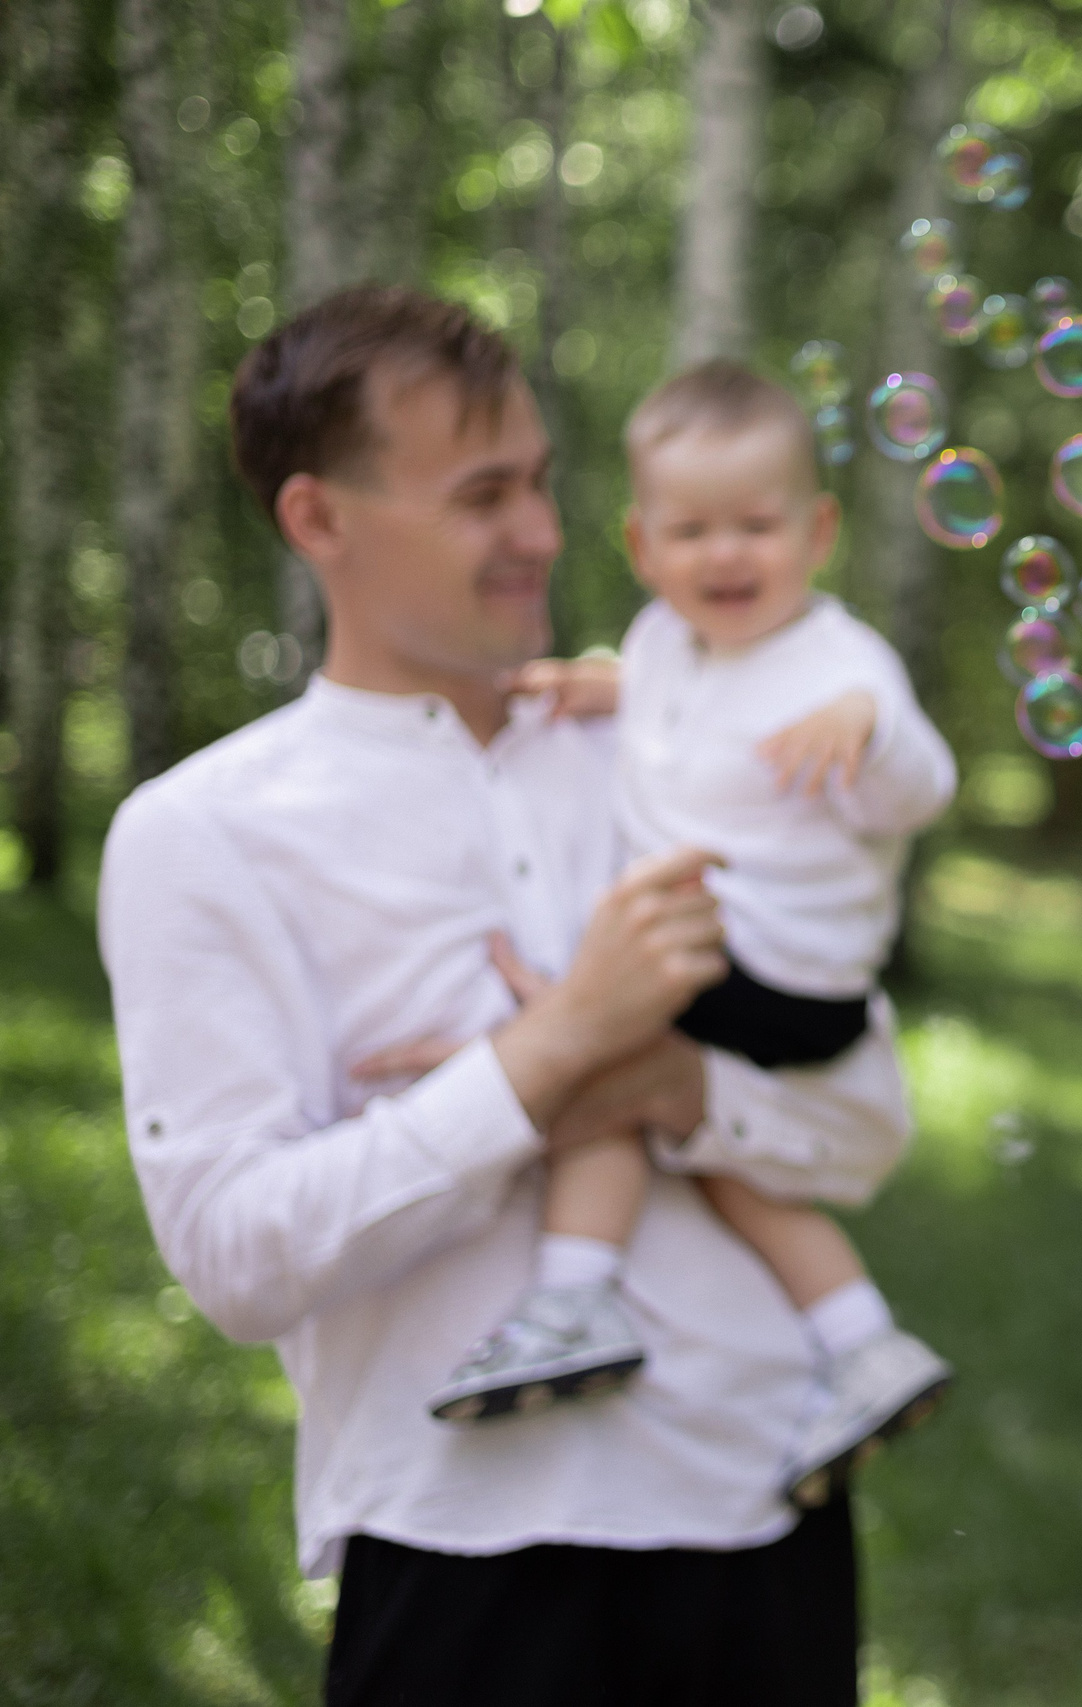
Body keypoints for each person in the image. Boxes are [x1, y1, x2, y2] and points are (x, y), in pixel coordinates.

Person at [98, 287, 897, 1702]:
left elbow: (867, 1122)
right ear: (318, 520)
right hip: (457, 1545)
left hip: (766, 1508)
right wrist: (549, 1054)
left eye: (538, 480)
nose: (540, 531)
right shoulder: (203, 830)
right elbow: (233, 1255)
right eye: (482, 495)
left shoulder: (661, 754)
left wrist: (667, 1082)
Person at [414, 358, 955, 1508]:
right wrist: (597, 685)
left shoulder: (839, 662)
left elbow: (923, 783)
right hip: (740, 971)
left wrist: (869, 727)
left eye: (756, 526)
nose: (725, 556)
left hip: (779, 966)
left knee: (590, 1048)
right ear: (643, 544)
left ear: (816, 531)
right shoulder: (664, 641)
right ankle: (864, 1340)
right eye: (692, 530)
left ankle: (572, 1298)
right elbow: (665, 702)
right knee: (722, 1158)